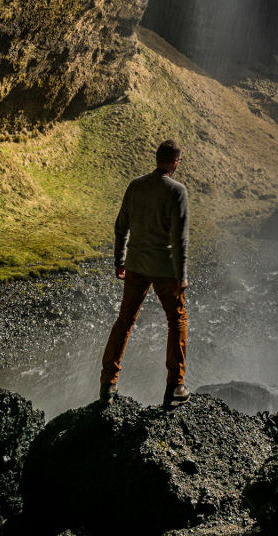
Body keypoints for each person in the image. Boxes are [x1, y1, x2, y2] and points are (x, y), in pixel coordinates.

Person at [99, 139, 190, 410]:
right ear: (175, 162)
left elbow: (120, 226)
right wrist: (182, 275)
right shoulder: (178, 191)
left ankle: (108, 383)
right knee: (176, 321)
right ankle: (175, 386)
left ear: (156, 158)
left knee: (125, 319)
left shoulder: (135, 186)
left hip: (136, 265)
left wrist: (120, 260)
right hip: (165, 269)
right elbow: (181, 238)